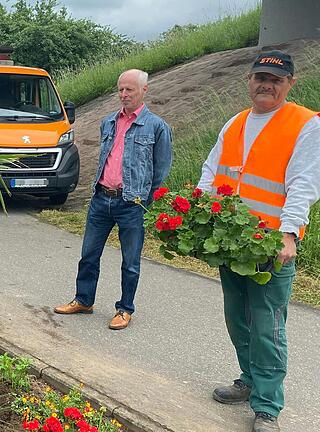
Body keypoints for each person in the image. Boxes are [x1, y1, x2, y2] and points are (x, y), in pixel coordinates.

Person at [197, 50, 320, 432]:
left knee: (267, 324)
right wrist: (194, 213)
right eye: (261, 77)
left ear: (290, 84)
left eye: (277, 80)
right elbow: (210, 170)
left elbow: (305, 182)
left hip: (270, 244)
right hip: (231, 241)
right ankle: (248, 380)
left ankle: (268, 405)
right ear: (249, 80)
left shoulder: (306, 124)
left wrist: (289, 233)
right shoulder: (235, 122)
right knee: (237, 318)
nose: (267, 84)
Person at [54, 69, 172, 330]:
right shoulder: (108, 122)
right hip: (101, 199)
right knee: (88, 255)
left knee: (130, 262)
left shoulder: (157, 126)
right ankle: (83, 299)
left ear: (144, 91)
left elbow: (161, 170)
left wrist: (144, 201)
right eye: (120, 89)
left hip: (131, 203)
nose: (124, 94)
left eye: (129, 89)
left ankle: (124, 309)